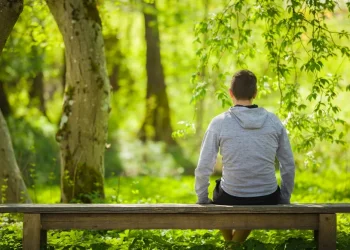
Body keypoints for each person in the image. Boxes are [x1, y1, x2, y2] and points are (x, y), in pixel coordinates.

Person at [194, 69, 295, 242]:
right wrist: (284, 198)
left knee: (220, 194)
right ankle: (233, 244)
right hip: (267, 196)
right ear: (255, 93)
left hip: (230, 194)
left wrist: (203, 199)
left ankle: (231, 244)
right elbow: (288, 164)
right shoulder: (273, 121)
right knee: (253, 200)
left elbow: (205, 165)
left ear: (230, 93)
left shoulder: (219, 122)